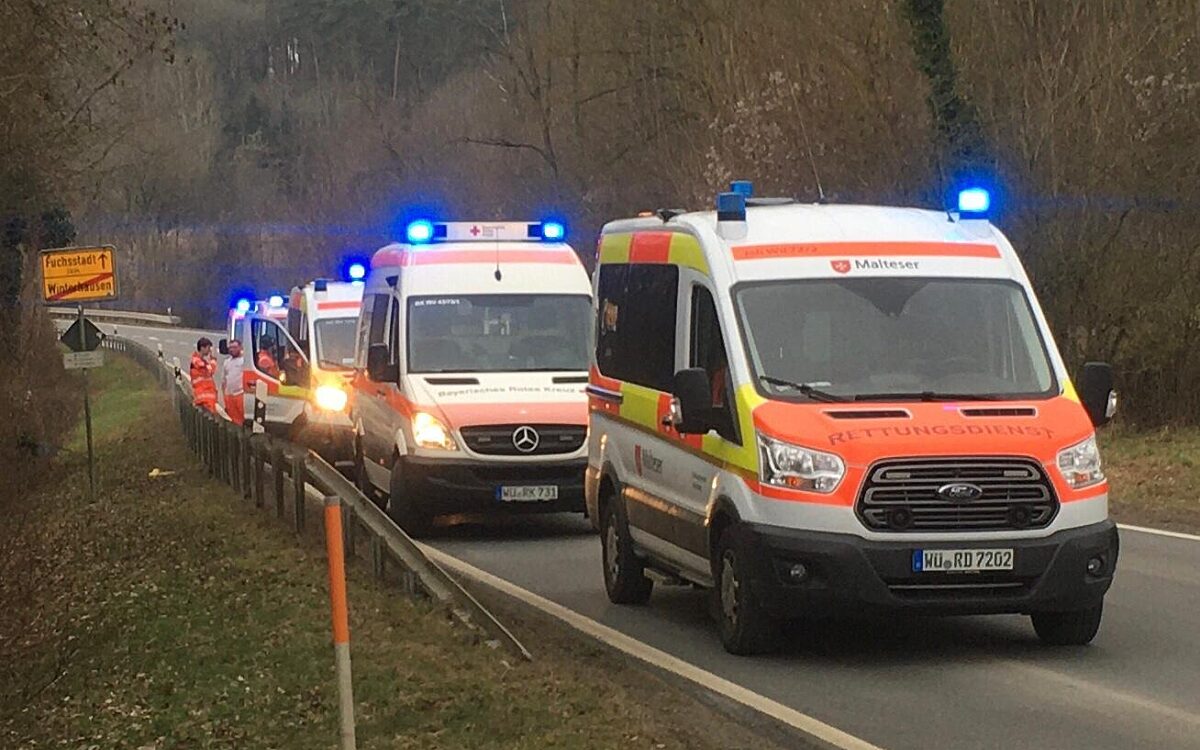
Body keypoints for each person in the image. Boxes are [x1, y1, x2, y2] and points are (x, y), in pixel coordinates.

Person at [190, 337, 218, 413]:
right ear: (202, 348)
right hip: (204, 396)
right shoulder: (197, 361)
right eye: (208, 348)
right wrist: (213, 360)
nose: (209, 351)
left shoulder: (201, 361)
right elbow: (210, 371)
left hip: (205, 396)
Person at [222, 339, 246, 426]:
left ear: (240, 347)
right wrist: (225, 395)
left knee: (243, 419)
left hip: (240, 394)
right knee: (233, 421)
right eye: (230, 348)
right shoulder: (227, 362)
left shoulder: (244, 361)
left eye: (235, 347)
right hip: (229, 395)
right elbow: (224, 380)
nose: (232, 350)